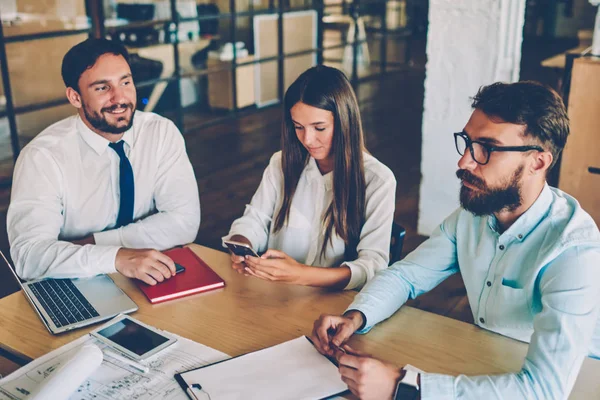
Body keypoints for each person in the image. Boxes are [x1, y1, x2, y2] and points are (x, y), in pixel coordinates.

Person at [311, 81, 600, 399]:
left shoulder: (574, 252)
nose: (464, 162)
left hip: (580, 382)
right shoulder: (475, 214)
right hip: (493, 366)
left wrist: (404, 387)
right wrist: (356, 316)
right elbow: (407, 275)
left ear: (538, 162)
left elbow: (544, 389)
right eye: (467, 142)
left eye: (486, 149)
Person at [7, 38, 200, 285]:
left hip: (150, 272)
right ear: (75, 97)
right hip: (74, 282)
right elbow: (29, 257)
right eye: (102, 88)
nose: (119, 98)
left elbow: (184, 222)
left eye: (126, 82)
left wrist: (94, 244)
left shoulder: (160, 132)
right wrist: (116, 258)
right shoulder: (42, 157)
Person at [223, 65, 396, 290]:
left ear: (345, 123)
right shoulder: (281, 163)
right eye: (298, 127)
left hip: (335, 305)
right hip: (274, 295)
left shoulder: (378, 181)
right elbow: (255, 219)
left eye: (319, 128)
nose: (308, 139)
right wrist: (241, 243)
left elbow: (373, 265)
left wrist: (301, 275)